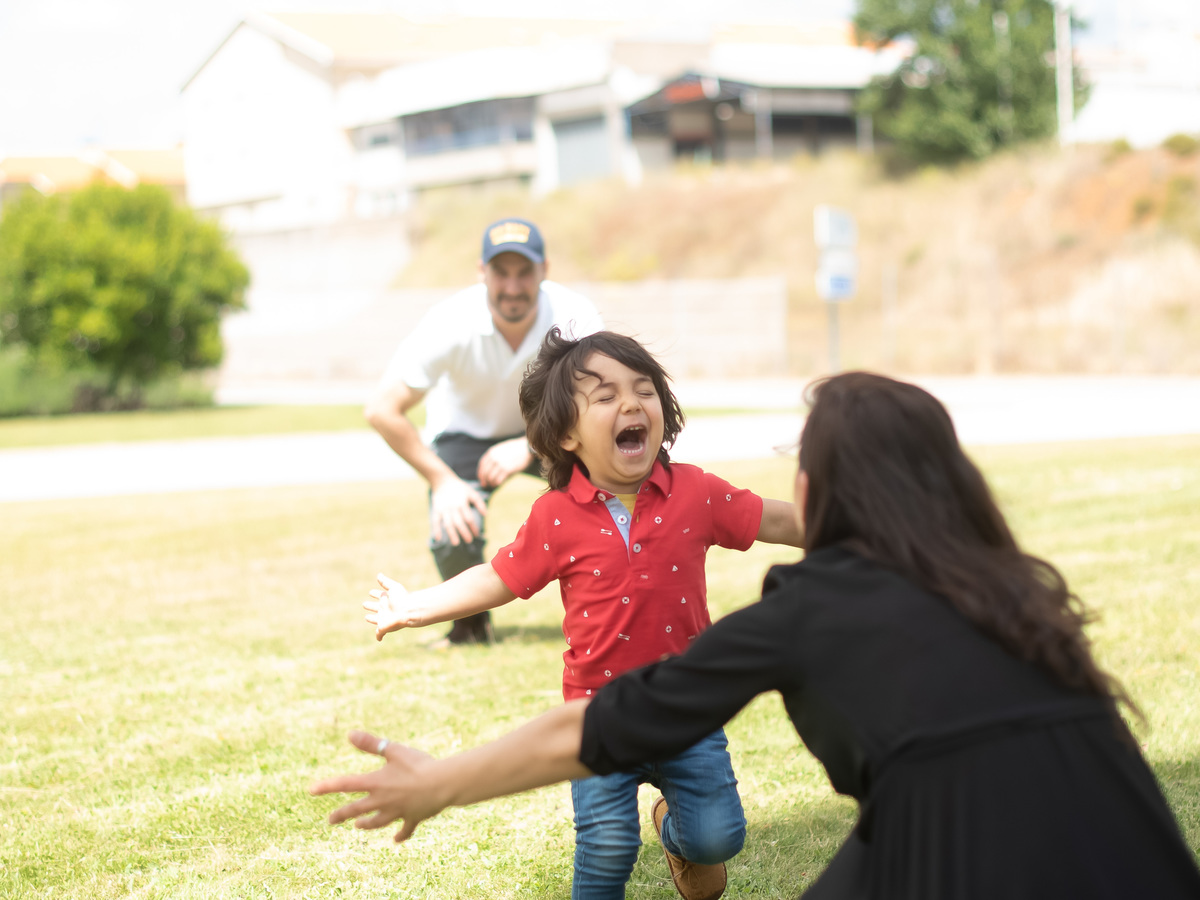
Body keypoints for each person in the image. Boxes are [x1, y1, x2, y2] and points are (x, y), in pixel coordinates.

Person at [315, 371, 1200, 900]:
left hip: (953, 850)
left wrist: (442, 785)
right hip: (1142, 855)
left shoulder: (812, 607)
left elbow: (598, 729)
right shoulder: (1014, 588)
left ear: (823, 490)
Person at [361, 329, 804, 900]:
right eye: (605, 397)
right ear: (566, 434)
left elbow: (778, 522)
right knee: (605, 851)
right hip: (598, 717)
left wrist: (867, 528)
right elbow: (499, 578)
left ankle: (674, 833)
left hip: (688, 709)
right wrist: (416, 605)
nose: (630, 404)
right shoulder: (555, 517)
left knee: (717, 838)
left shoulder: (696, 493)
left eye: (644, 390)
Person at [365, 217, 602, 646]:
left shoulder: (574, 316)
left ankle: (610, 611)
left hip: (549, 430)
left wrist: (530, 445)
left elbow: (599, 401)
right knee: (452, 526)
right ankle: (470, 630)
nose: (513, 287)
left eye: (524, 272)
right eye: (501, 273)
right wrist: (443, 481)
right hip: (464, 437)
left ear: (544, 270)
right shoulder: (449, 321)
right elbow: (382, 410)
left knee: (607, 489)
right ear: (482, 273)